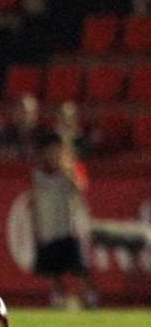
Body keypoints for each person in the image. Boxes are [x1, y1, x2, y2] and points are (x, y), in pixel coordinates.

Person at [31, 132, 98, 309]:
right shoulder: (38, 173)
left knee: (78, 268)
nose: (53, 155)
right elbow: (34, 201)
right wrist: (36, 228)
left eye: (56, 151)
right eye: (50, 151)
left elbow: (80, 188)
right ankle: (59, 299)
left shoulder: (71, 169)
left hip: (68, 228)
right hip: (48, 229)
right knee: (53, 270)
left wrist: (68, 170)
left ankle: (91, 298)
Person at [0, 93, 42, 162]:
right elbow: (3, 158)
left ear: (36, 115)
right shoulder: (7, 133)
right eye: (22, 111)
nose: (26, 116)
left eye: (30, 112)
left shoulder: (43, 135)